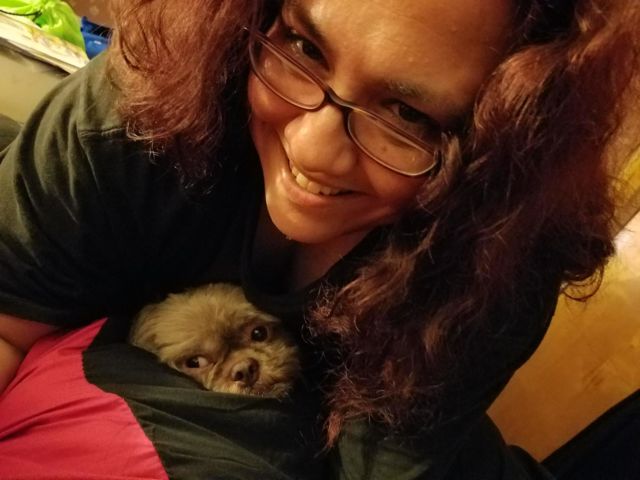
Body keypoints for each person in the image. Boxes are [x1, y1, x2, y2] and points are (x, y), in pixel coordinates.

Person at [0, 0, 638, 478]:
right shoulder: (128, 123)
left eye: (407, 114)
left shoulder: (491, 268)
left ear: (490, 154)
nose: (311, 150)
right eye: (303, 46)